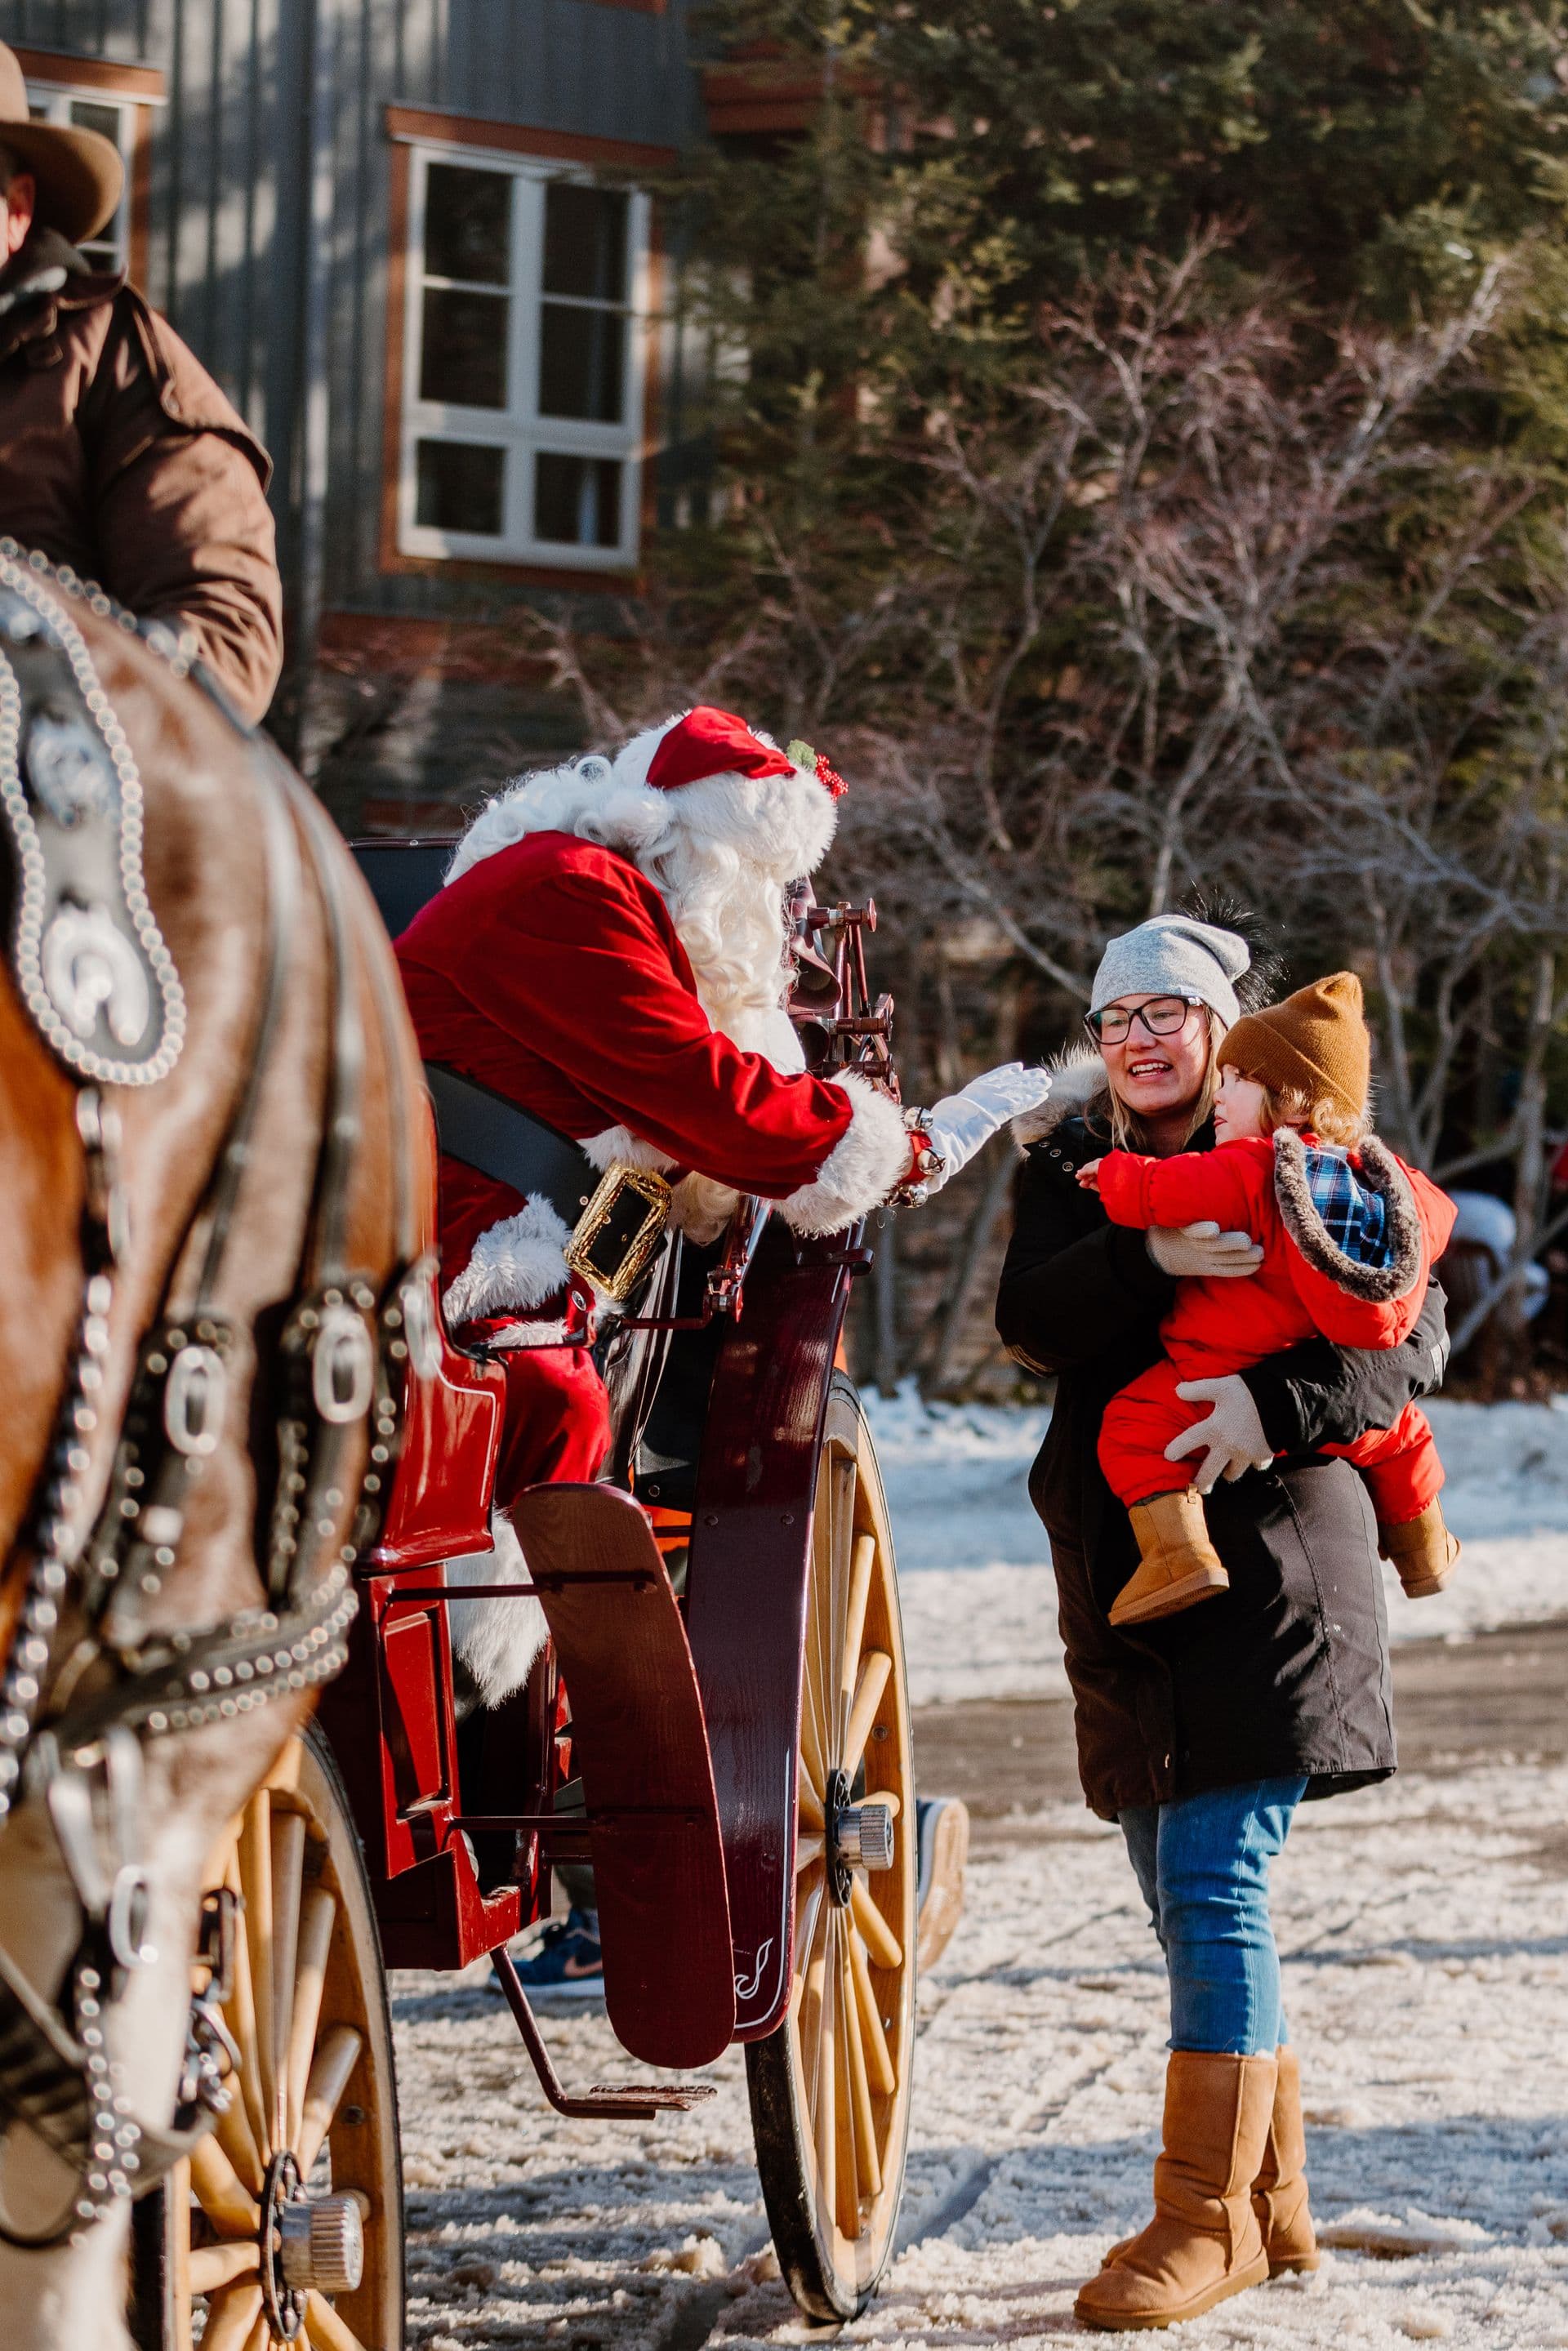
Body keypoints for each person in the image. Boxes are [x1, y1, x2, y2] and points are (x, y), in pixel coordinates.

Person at [399, 703, 1047, 1983]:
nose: (764, 916)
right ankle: (502, 1757)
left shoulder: (580, 886)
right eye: (764, 882)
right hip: (455, 1256)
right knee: (550, 1399)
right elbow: (709, 1091)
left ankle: (529, 1771)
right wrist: (892, 1144)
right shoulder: (571, 895)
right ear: (702, 847)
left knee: (576, 1385)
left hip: (481, 1237)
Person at [995, 909, 1451, 2333]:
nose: (1140, 1035)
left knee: (1213, 1884)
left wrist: (1273, 1402)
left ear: (1217, 1028)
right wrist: (1162, 1248)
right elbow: (1035, 1318)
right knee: (1177, 1888)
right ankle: (1272, 2193)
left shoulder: (1324, 1150)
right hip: (1126, 1571)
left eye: (1168, 1013)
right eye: (1118, 1013)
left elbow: (1408, 1342)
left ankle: (1206, 2217)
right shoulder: (1076, 1165)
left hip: (1268, 1566)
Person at [1080, 972, 1459, 1627]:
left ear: (1287, 1096)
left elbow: (1167, 1191)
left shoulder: (1253, 1166)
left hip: (1211, 1377)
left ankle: (1178, 1555)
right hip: (1316, 1391)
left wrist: (1111, 1175)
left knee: (1128, 1427)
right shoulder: (1378, 1181)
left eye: (1235, 1081)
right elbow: (1438, 1217)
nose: (1219, 1096)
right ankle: (1424, 1549)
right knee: (1400, 1434)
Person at [0, 42, 282, 722]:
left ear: (16, 210)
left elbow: (225, 636)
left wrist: (44, 697)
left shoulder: (111, 357)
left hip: (55, 794)